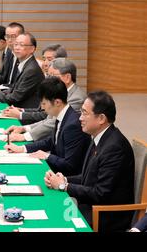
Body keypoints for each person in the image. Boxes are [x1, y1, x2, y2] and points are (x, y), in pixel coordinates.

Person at [44, 91, 135, 232]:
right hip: (90, 206)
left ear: (101, 118)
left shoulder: (115, 147)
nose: (80, 118)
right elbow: (88, 177)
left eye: (85, 113)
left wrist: (64, 186)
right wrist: (63, 179)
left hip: (105, 216)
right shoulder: (98, 137)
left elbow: (100, 193)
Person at [4, 77, 90, 175]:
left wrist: (46, 156)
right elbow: (50, 142)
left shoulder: (73, 125)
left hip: (66, 177)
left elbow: (70, 165)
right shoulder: (62, 116)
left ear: (57, 102)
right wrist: (23, 148)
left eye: (44, 103)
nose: (42, 107)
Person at [6, 58, 87, 141]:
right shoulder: (58, 92)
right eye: (48, 75)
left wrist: (25, 136)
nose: (49, 79)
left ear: (67, 77)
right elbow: (48, 120)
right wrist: (24, 128)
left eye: (52, 76)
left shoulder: (77, 98)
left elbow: (53, 123)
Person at [0, 32, 45, 108]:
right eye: (16, 44)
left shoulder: (31, 70)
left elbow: (16, 97)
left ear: (32, 49)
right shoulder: (24, 64)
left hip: (24, 111)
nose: (17, 48)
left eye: (21, 45)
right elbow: (13, 89)